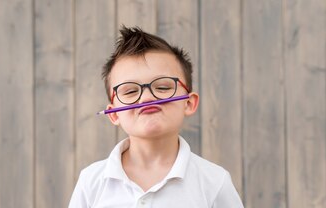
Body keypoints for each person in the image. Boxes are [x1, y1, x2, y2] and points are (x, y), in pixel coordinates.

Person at [69, 26, 244, 208]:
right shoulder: (91, 181)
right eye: (130, 91)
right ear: (113, 114)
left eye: (163, 87)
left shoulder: (215, 182)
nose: (147, 98)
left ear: (189, 103)